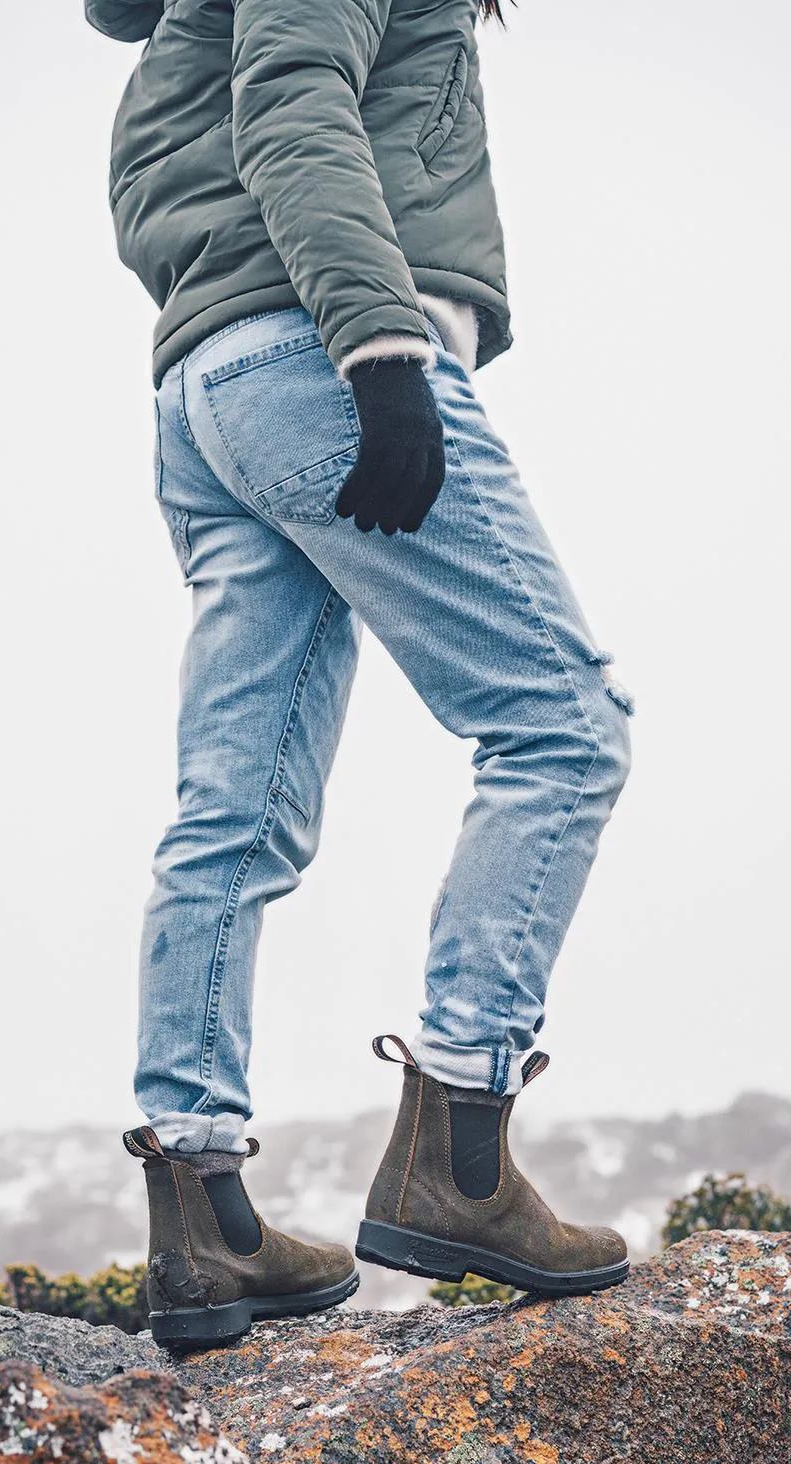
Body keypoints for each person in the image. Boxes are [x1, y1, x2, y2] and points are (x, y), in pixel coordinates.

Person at [88, 0, 635, 1348]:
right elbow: (293, 108)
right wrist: (385, 350)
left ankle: (205, 1221)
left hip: (207, 385)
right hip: (321, 355)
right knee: (562, 730)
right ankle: (457, 1162)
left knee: (236, 807)